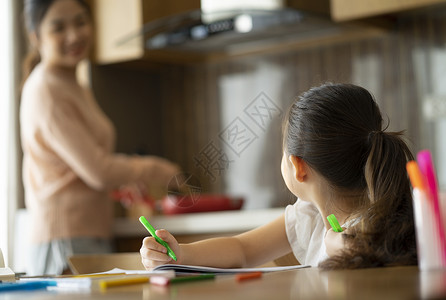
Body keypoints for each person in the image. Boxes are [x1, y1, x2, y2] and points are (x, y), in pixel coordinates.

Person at [140, 83, 418, 270]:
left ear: (298, 166)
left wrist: (341, 245)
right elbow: (242, 249)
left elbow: (369, 256)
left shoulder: (374, 223)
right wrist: (180, 254)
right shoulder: (308, 217)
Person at [20, 0, 180, 275]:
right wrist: (156, 169)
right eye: (59, 27)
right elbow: (98, 170)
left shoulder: (72, 84)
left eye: (81, 22)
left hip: (80, 234)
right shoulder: (47, 88)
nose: (74, 35)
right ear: (36, 37)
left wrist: (125, 180)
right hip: (64, 239)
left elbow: (79, 168)